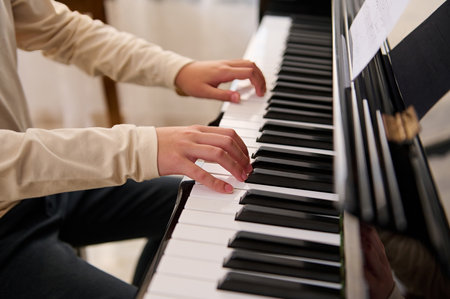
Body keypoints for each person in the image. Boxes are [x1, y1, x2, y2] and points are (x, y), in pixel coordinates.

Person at [0, 1, 266, 298]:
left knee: (197, 207)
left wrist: (178, 70)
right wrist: (144, 149)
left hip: (32, 190)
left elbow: (61, 31)